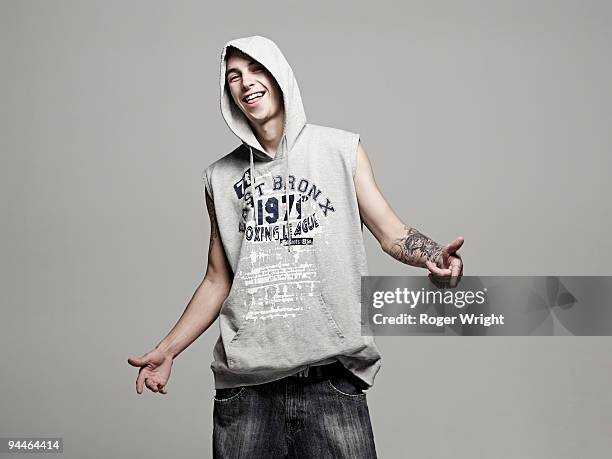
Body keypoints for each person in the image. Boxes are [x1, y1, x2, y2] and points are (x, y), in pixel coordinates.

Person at [128, 35, 464, 458]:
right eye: (234, 76)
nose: (246, 82)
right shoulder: (220, 178)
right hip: (246, 390)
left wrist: (434, 256)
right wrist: (167, 349)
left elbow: (391, 233)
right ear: (227, 93)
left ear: (279, 75)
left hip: (330, 382)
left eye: (256, 69)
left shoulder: (341, 151)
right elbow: (218, 279)